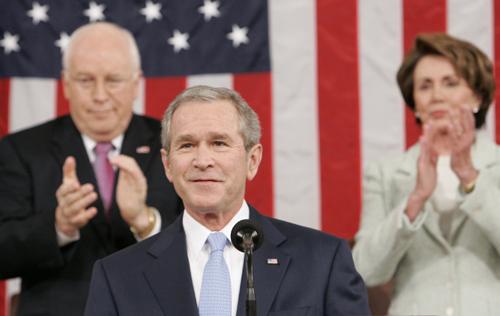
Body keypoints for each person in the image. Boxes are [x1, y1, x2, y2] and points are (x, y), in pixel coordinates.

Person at [84, 85, 371, 316]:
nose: (202, 160)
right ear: (168, 165)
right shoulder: (116, 277)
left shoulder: (322, 261)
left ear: (253, 160)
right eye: (187, 145)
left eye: (219, 143)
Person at [0, 22, 183, 315]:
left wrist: (145, 221)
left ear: (136, 83)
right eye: (85, 80)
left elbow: (206, 243)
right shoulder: (21, 150)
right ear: (66, 84)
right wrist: (59, 226)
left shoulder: (175, 146)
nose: (99, 95)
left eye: (113, 80)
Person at [352, 33, 500, 316]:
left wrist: (470, 176)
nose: (437, 96)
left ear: (478, 97)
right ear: (415, 104)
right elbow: (365, 271)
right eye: (425, 86)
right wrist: (415, 200)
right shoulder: (384, 173)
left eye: (450, 83)